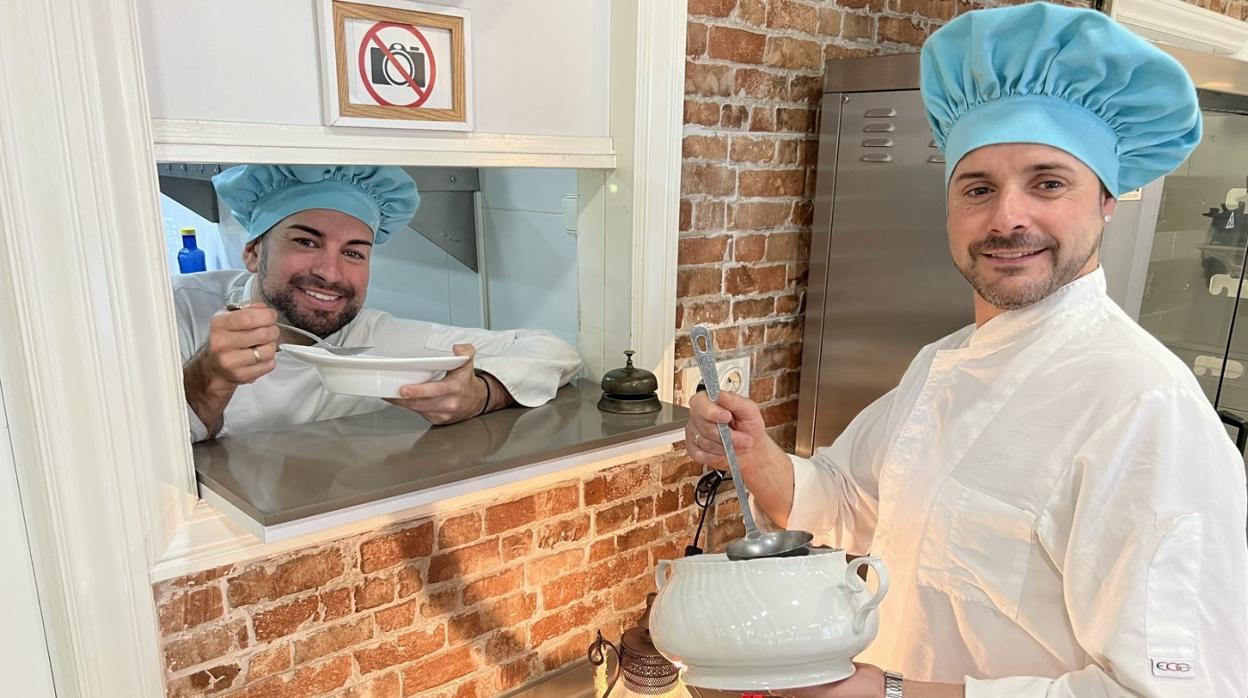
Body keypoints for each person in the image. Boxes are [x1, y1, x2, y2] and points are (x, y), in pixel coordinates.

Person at [684, 4, 1248, 697]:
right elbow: (853, 499)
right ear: (951, 208)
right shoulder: (944, 362)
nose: (1007, 217)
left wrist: (886, 692)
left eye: (1047, 182)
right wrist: (756, 459)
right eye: (978, 188)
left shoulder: (1144, 408)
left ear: (1106, 201)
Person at [174, 164, 583, 442]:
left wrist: (483, 393)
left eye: (354, 252)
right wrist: (210, 376)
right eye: (306, 241)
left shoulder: (375, 338)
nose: (331, 273)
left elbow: (554, 353)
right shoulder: (179, 310)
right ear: (252, 251)